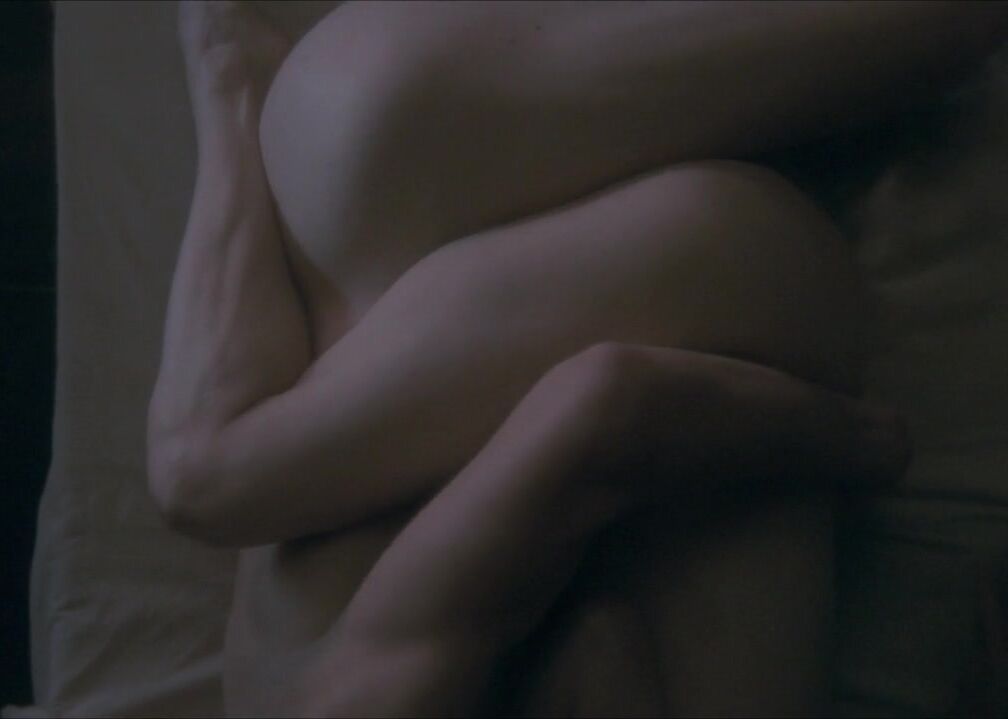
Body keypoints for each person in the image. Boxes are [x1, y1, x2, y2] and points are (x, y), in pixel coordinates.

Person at [147, 2, 1004, 715]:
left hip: (709, 289)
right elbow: (596, 637)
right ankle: (232, 83)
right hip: (368, 165)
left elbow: (608, 405)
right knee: (204, 467)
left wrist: (853, 443)